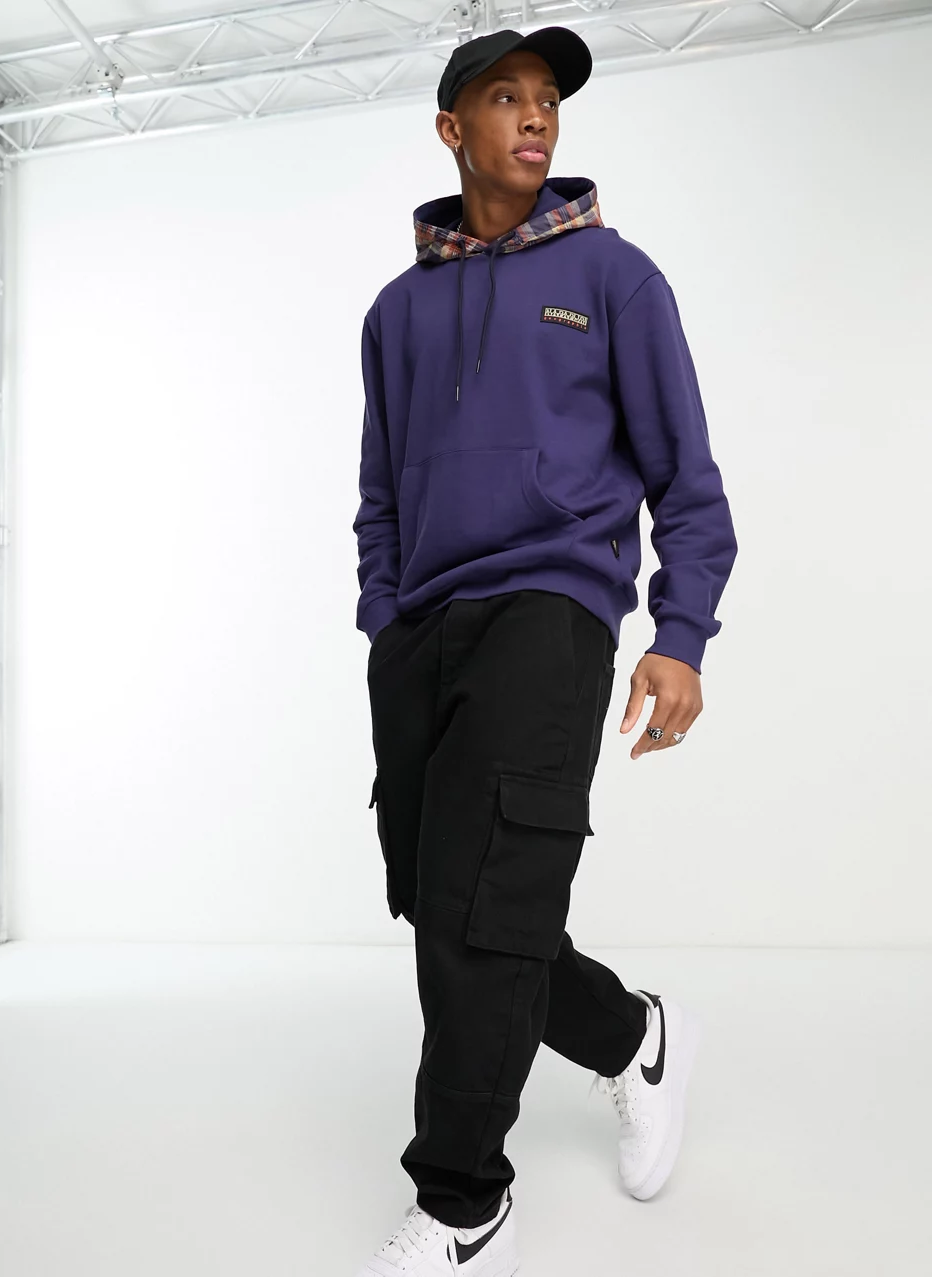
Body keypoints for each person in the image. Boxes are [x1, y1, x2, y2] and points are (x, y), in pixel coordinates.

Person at [352, 24, 738, 1276]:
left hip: (550, 608)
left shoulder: (613, 276)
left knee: (484, 905)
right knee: (448, 904)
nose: (535, 117)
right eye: (504, 97)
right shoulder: (396, 310)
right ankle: (632, 1037)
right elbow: (378, 494)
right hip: (421, 629)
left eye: (548, 100)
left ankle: (463, 1198)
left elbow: (686, 478)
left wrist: (680, 634)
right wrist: (383, 617)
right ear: (451, 128)